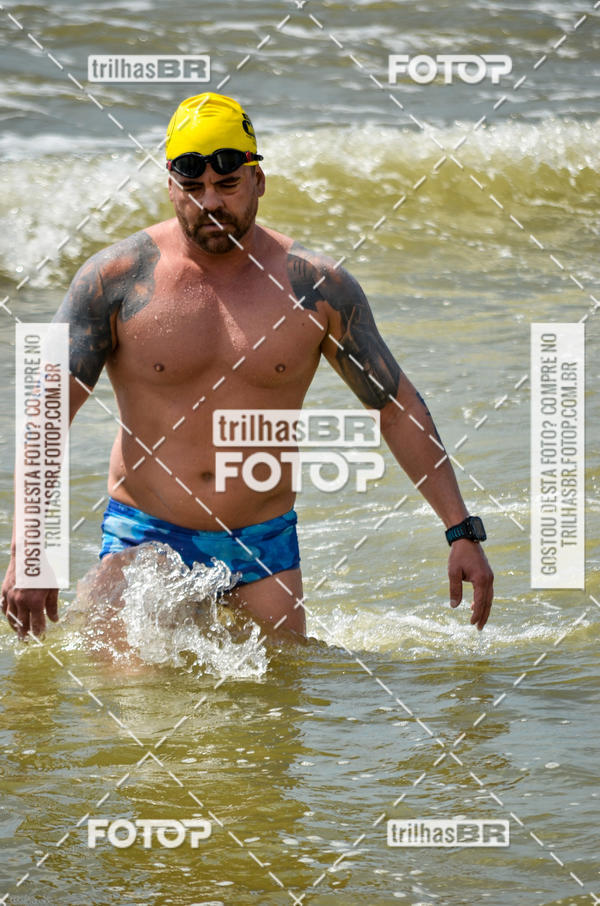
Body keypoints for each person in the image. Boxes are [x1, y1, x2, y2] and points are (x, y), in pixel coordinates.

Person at [2, 92, 493, 640]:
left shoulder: (316, 288)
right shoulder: (115, 279)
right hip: (144, 539)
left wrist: (461, 531)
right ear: (171, 187)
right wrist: (31, 549)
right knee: (129, 693)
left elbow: (395, 407)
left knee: (281, 694)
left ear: (258, 180)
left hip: (263, 549)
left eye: (228, 184)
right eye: (192, 188)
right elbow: (47, 414)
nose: (210, 202)